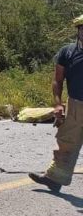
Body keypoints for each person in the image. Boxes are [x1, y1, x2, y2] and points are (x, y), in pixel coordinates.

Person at [29, 15, 83, 192]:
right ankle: (55, 178)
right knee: (67, 142)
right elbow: (57, 80)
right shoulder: (67, 53)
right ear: (78, 31)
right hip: (75, 104)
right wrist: (58, 104)